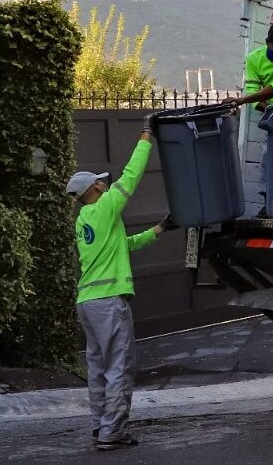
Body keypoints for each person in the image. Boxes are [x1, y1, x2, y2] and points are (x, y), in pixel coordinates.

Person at [64, 116, 176, 451]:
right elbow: (131, 175)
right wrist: (146, 135)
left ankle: (101, 427)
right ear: (95, 189)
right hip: (109, 302)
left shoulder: (87, 220)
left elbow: (127, 245)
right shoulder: (106, 207)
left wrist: (161, 228)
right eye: (102, 183)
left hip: (88, 302)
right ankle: (114, 432)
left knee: (98, 367)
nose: (107, 185)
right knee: (119, 367)